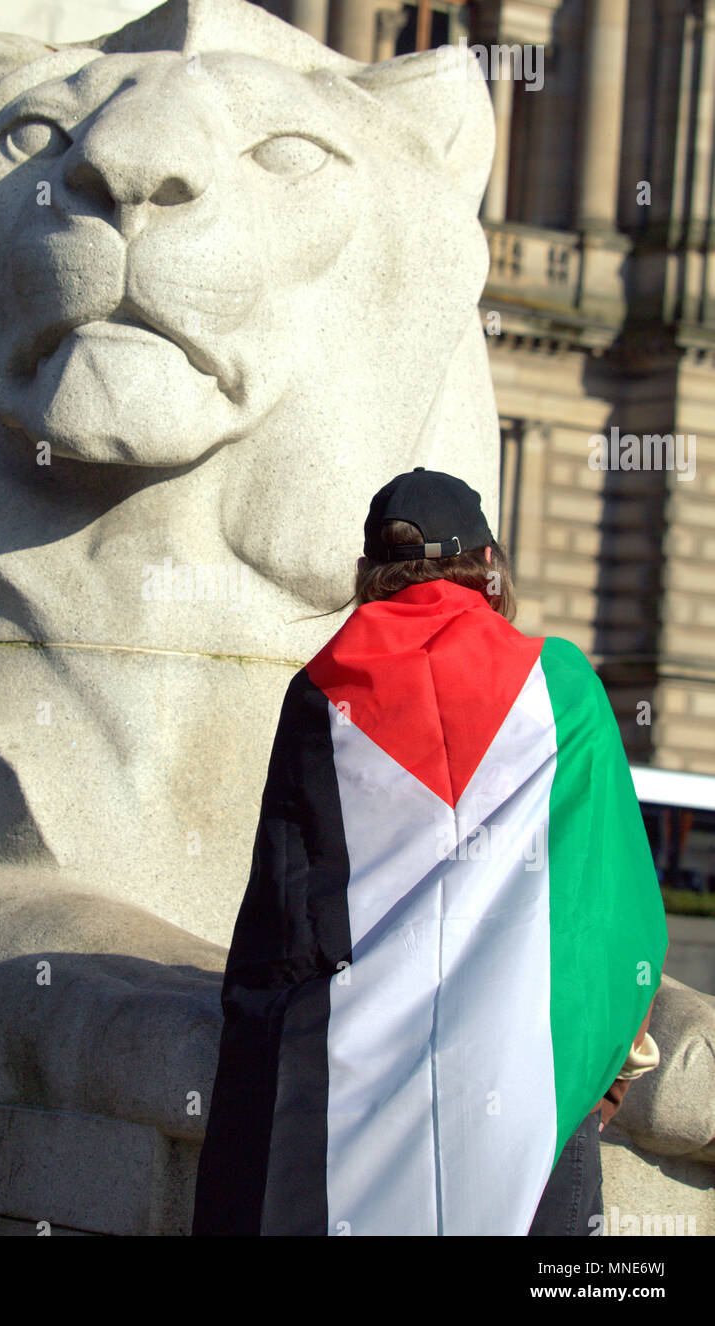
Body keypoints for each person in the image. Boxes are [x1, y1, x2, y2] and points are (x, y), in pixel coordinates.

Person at [192, 467, 667, 1237]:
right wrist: (602, 1084)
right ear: (488, 565)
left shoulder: (318, 695)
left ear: (367, 574)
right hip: (535, 1090)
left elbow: (277, 934)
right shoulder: (563, 686)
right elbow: (615, 914)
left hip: (353, 1102)